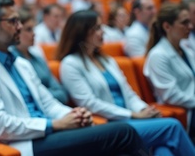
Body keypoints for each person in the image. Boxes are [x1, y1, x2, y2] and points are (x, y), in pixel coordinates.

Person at [0, 0, 148, 156]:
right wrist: (55, 124)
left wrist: (72, 114)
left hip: (46, 134)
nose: (19, 27)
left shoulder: (22, 64)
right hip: (20, 145)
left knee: (117, 149)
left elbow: (48, 103)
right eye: (13, 21)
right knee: (123, 132)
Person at [58, 10, 195, 155]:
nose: (102, 32)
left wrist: (143, 109)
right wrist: (132, 114)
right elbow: (89, 103)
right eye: (97, 28)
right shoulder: (70, 64)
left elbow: (128, 93)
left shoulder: (107, 60)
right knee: (172, 127)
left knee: (164, 148)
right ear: (82, 32)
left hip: (131, 118)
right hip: (111, 124)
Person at [144, 3, 195, 139]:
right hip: (184, 109)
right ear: (167, 26)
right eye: (184, 23)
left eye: (189, 22)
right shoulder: (158, 55)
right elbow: (171, 95)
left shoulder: (185, 49)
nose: (190, 27)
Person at [10, 9, 68, 104]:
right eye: (28, 30)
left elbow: (62, 94)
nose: (34, 34)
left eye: (33, 29)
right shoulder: (12, 61)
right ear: (16, 32)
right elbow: (26, 97)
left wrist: (41, 96)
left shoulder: (38, 59)